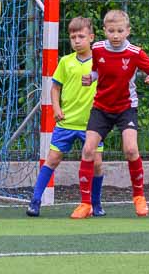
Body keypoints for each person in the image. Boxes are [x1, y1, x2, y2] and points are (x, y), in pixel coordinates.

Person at [77, 9, 149, 218]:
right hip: (101, 108)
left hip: (126, 108)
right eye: (111, 31)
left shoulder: (135, 53)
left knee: (130, 149)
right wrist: (90, 77)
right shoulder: (98, 49)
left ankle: (139, 197)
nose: (115, 35)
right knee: (88, 150)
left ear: (128, 31)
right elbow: (96, 70)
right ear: (104, 31)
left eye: (119, 31)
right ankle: (85, 204)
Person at [26, 17, 105, 219]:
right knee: (52, 159)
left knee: (96, 163)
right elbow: (55, 87)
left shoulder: (100, 62)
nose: (77, 40)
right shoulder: (65, 62)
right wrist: (56, 108)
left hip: (93, 124)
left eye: (81, 36)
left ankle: (95, 204)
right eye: (73, 37)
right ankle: (35, 202)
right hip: (66, 122)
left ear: (91, 37)